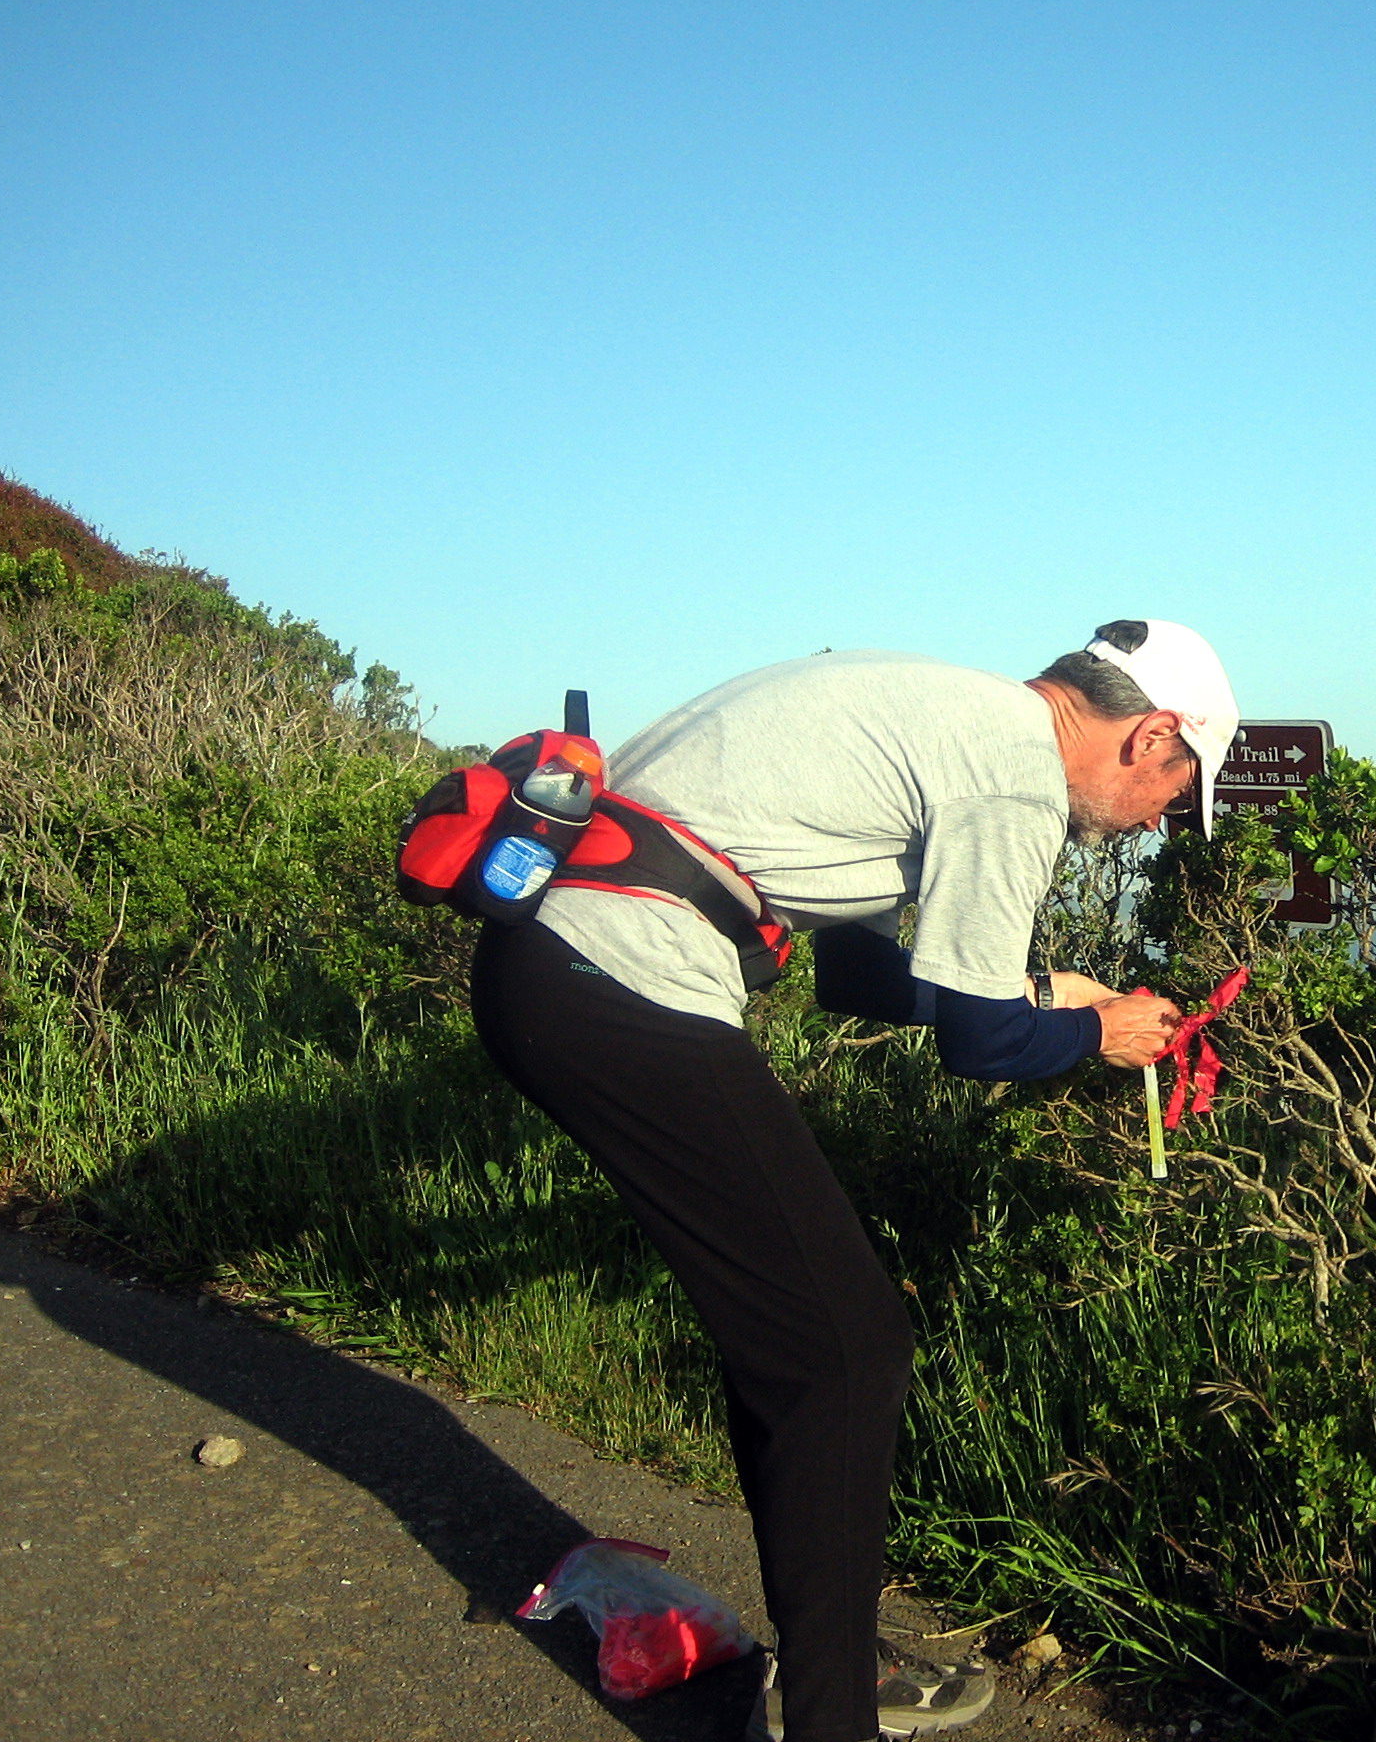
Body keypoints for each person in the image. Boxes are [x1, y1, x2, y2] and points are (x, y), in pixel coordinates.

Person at [468, 620, 1239, 1742]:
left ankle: (830, 1666)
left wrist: (1041, 993)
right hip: (617, 986)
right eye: (1178, 789)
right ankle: (833, 1710)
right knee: (847, 1346)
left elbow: (858, 976)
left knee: (799, 1341)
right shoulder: (1015, 772)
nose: (1166, 816)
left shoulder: (944, 708)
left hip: (552, 969)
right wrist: (1097, 1035)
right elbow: (980, 1048)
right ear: (1152, 735)